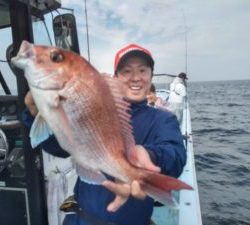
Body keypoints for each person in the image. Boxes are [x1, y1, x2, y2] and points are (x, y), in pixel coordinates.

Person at [23, 43, 187, 225]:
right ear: (116, 77)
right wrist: (34, 113)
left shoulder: (162, 119)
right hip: (80, 220)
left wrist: (149, 156)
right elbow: (62, 148)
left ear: (150, 76)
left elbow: (176, 156)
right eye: (126, 71)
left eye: (142, 70)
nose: (135, 78)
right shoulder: (95, 108)